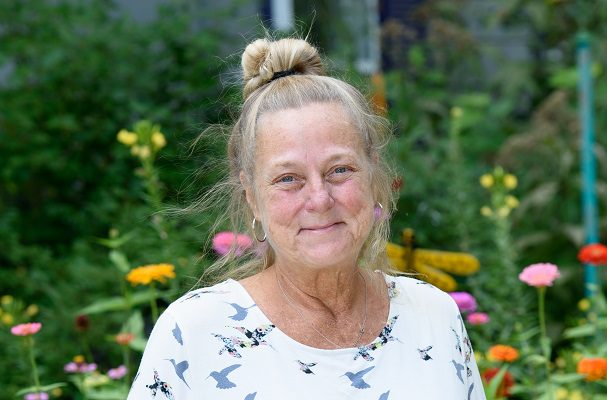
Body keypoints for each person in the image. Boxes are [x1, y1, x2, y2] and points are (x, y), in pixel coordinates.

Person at [127, 37, 485, 400]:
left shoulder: (434, 316)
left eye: (340, 170)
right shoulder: (194, 334)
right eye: (288, 179)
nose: (319, 199)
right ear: (252, 196)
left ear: (374, 176)